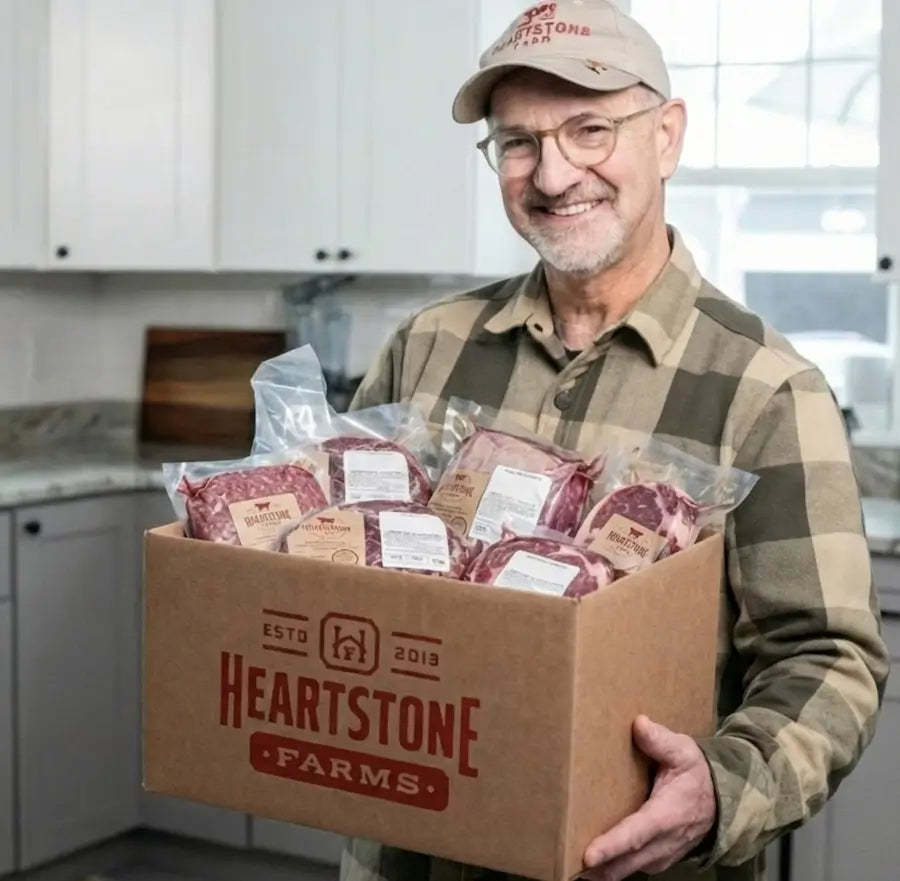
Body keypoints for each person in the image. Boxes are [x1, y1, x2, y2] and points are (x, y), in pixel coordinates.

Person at [340, 2, 891, 879]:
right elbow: (337, 563)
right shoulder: (426, 346)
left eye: (590, 130)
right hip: (414, 849)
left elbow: (827, 658)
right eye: (518, 142)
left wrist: (721, 788)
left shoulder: (766, 389)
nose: (554, 174)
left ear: (666, 138)